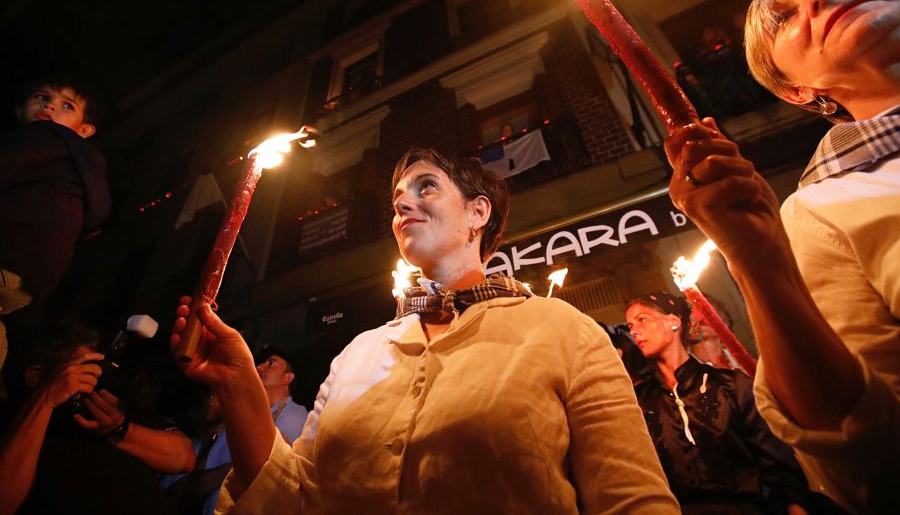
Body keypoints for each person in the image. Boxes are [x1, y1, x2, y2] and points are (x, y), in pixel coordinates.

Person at [171, 148, 679, 513]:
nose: (402, 205)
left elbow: (633, 500)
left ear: (478, 213)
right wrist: (238, 388)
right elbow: (297, 498)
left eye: (426, 187)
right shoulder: (357, 355)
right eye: (397, 199)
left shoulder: (564, 330)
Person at [665, 0, 900, 512]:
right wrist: (757, 260)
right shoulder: (826, 210)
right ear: (797, 91)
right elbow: (867, 467)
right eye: (787, 17)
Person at [625, 292, 830, 513]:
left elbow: (778, 467)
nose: (634, 331)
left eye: (642, 319)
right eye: (629, 326)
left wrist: (794, 503)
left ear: (674, 322)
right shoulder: (640, 402)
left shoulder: (731, 386)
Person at [0, 321, 196, 514]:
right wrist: (46, 399)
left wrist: (119, 430)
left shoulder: (108, 407)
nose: (94, 378)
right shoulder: (16, 426)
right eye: (83, 369)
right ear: (36, 377)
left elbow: (184, 459)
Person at [0, 77, 111, 367]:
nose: (49, 105)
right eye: (41, 96)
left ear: (84, 130)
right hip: (30, 282)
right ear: (19, 109)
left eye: (67, 105)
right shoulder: (89, 172)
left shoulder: (45, 136)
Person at [161, 345, 308, 515]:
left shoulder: (294, 415)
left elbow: (274, 471)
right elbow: (193, 476)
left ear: (287, 378)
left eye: (271, 363)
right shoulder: (238, 417)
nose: (259, 367)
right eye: (261, 363)